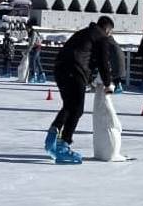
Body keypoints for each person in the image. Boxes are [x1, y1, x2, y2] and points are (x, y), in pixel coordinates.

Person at [46, 17, 115, 164]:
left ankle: (52, 136)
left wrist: (89, 79)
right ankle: (63, 145)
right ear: (108, 29)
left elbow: (86, 55)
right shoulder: (101, 37)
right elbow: (103, 62)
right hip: (75, 70)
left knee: (69, 106)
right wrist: (108, 83)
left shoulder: (85, 32)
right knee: (77, 109)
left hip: (60, 68)